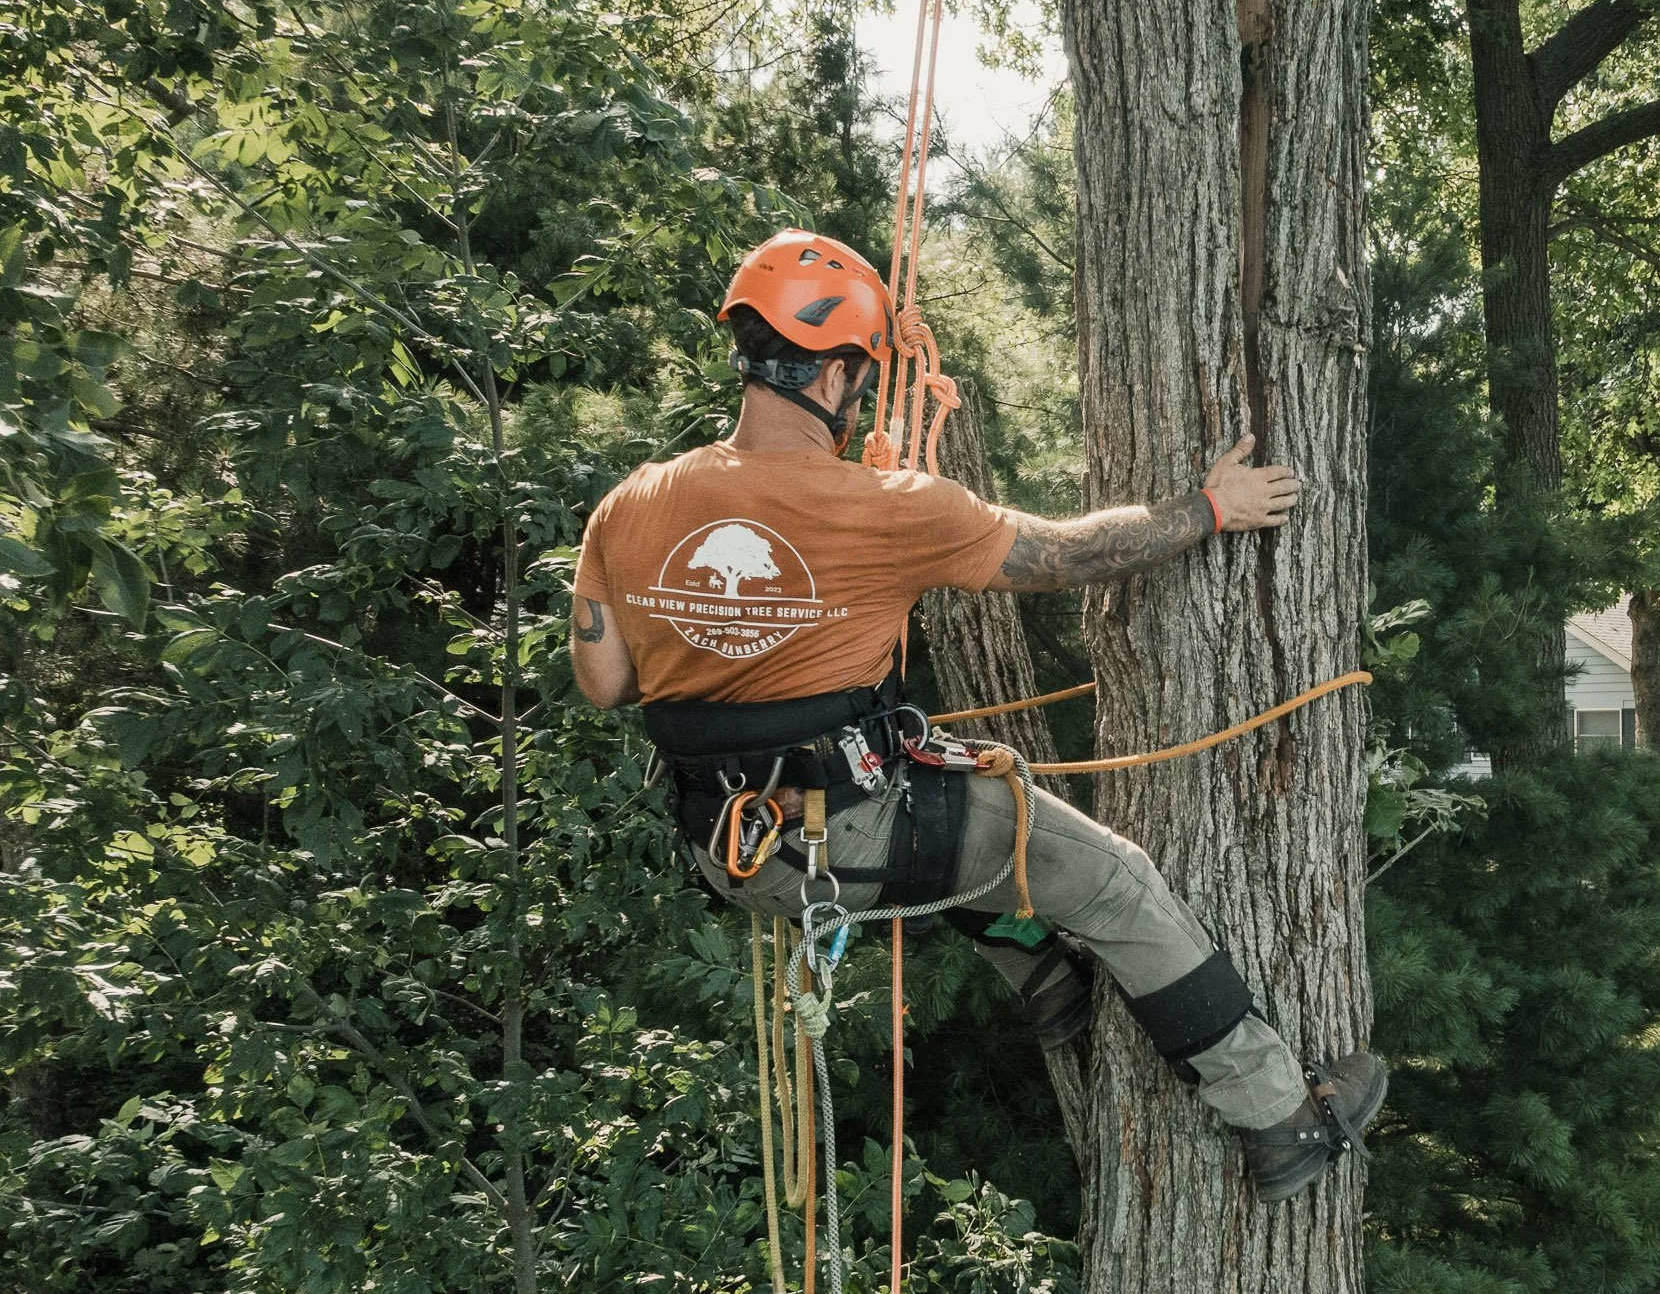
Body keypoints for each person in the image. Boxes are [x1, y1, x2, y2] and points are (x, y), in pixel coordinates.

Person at [568, 229, 1384, 1203]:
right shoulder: (889, 506)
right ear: (836, 378)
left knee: (968, 781)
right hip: (849, 841)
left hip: (730, 850)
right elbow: (1066, 554)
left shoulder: (629, 507)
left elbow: (606, 681)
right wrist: (1209, 507)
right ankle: (1280, 1115)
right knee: (1114, 881)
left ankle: (1042, 981)